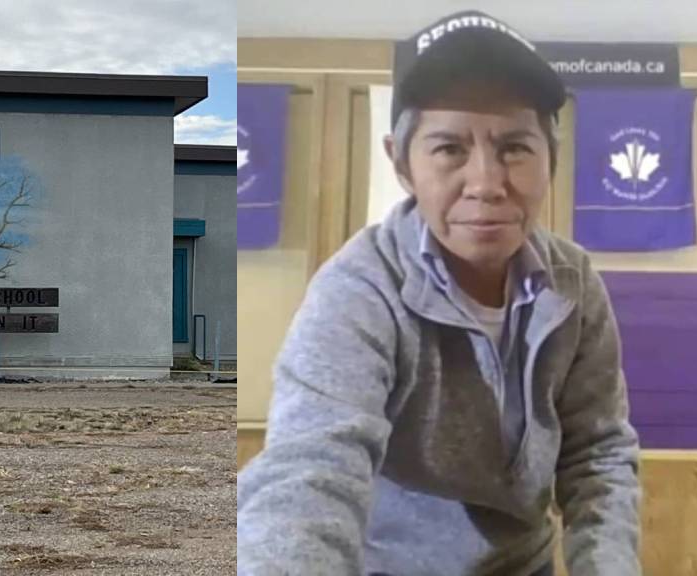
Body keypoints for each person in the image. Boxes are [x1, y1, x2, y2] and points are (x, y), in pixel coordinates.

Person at [237, 10, 640, 576]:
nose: (486, 183)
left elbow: (597, 456)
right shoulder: (358, 291)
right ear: (401, 163)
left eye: (515, 148)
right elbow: (309, 473)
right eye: (449, 148)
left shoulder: (573, 283)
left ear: (552, 156)